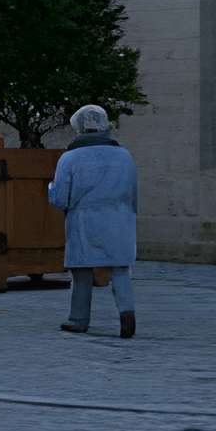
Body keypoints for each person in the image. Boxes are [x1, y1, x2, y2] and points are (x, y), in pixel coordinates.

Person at [47, 103, 139, 338]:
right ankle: (127, 313)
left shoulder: (69, 158)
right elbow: (133, 193)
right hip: (119, 220)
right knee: (120, 269)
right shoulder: (125, 156)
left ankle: (78, 319)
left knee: (82, 273)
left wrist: (50, 189)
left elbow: (61, 199)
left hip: (84, 222)